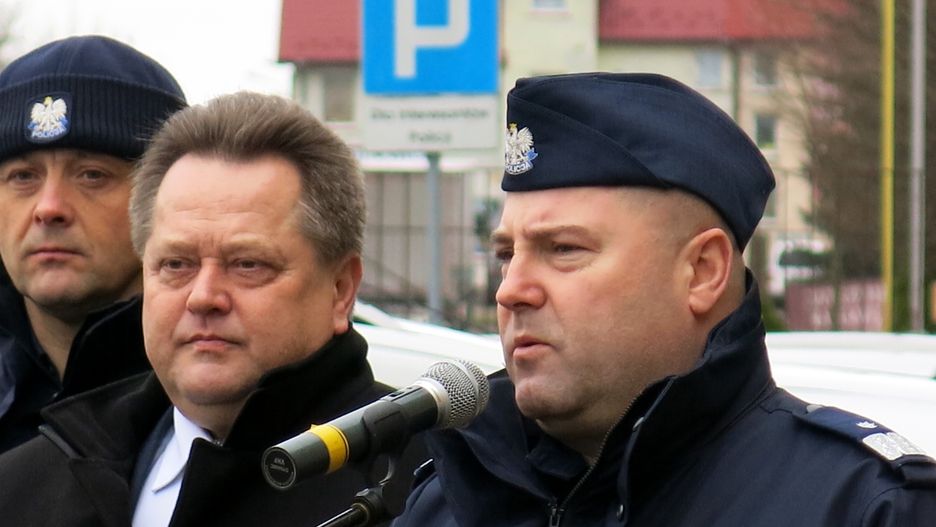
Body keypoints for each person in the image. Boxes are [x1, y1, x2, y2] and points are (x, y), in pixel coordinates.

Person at [391, 73, 936, 526]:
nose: (511, 290)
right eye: (506, 254)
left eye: (563, 249)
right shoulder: (450, 500)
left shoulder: (858, 505)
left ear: (702, 272)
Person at [0, 91, 421, 526]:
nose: (203, 296)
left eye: (247, 264)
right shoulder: (26, 488)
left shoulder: (430, 489)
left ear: (340, 289)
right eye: (176, 265)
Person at [0, 35, 187, 451]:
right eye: (22, 177)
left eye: (92, 175)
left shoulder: (219, 408)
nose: (49, 207)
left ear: (165, 199)